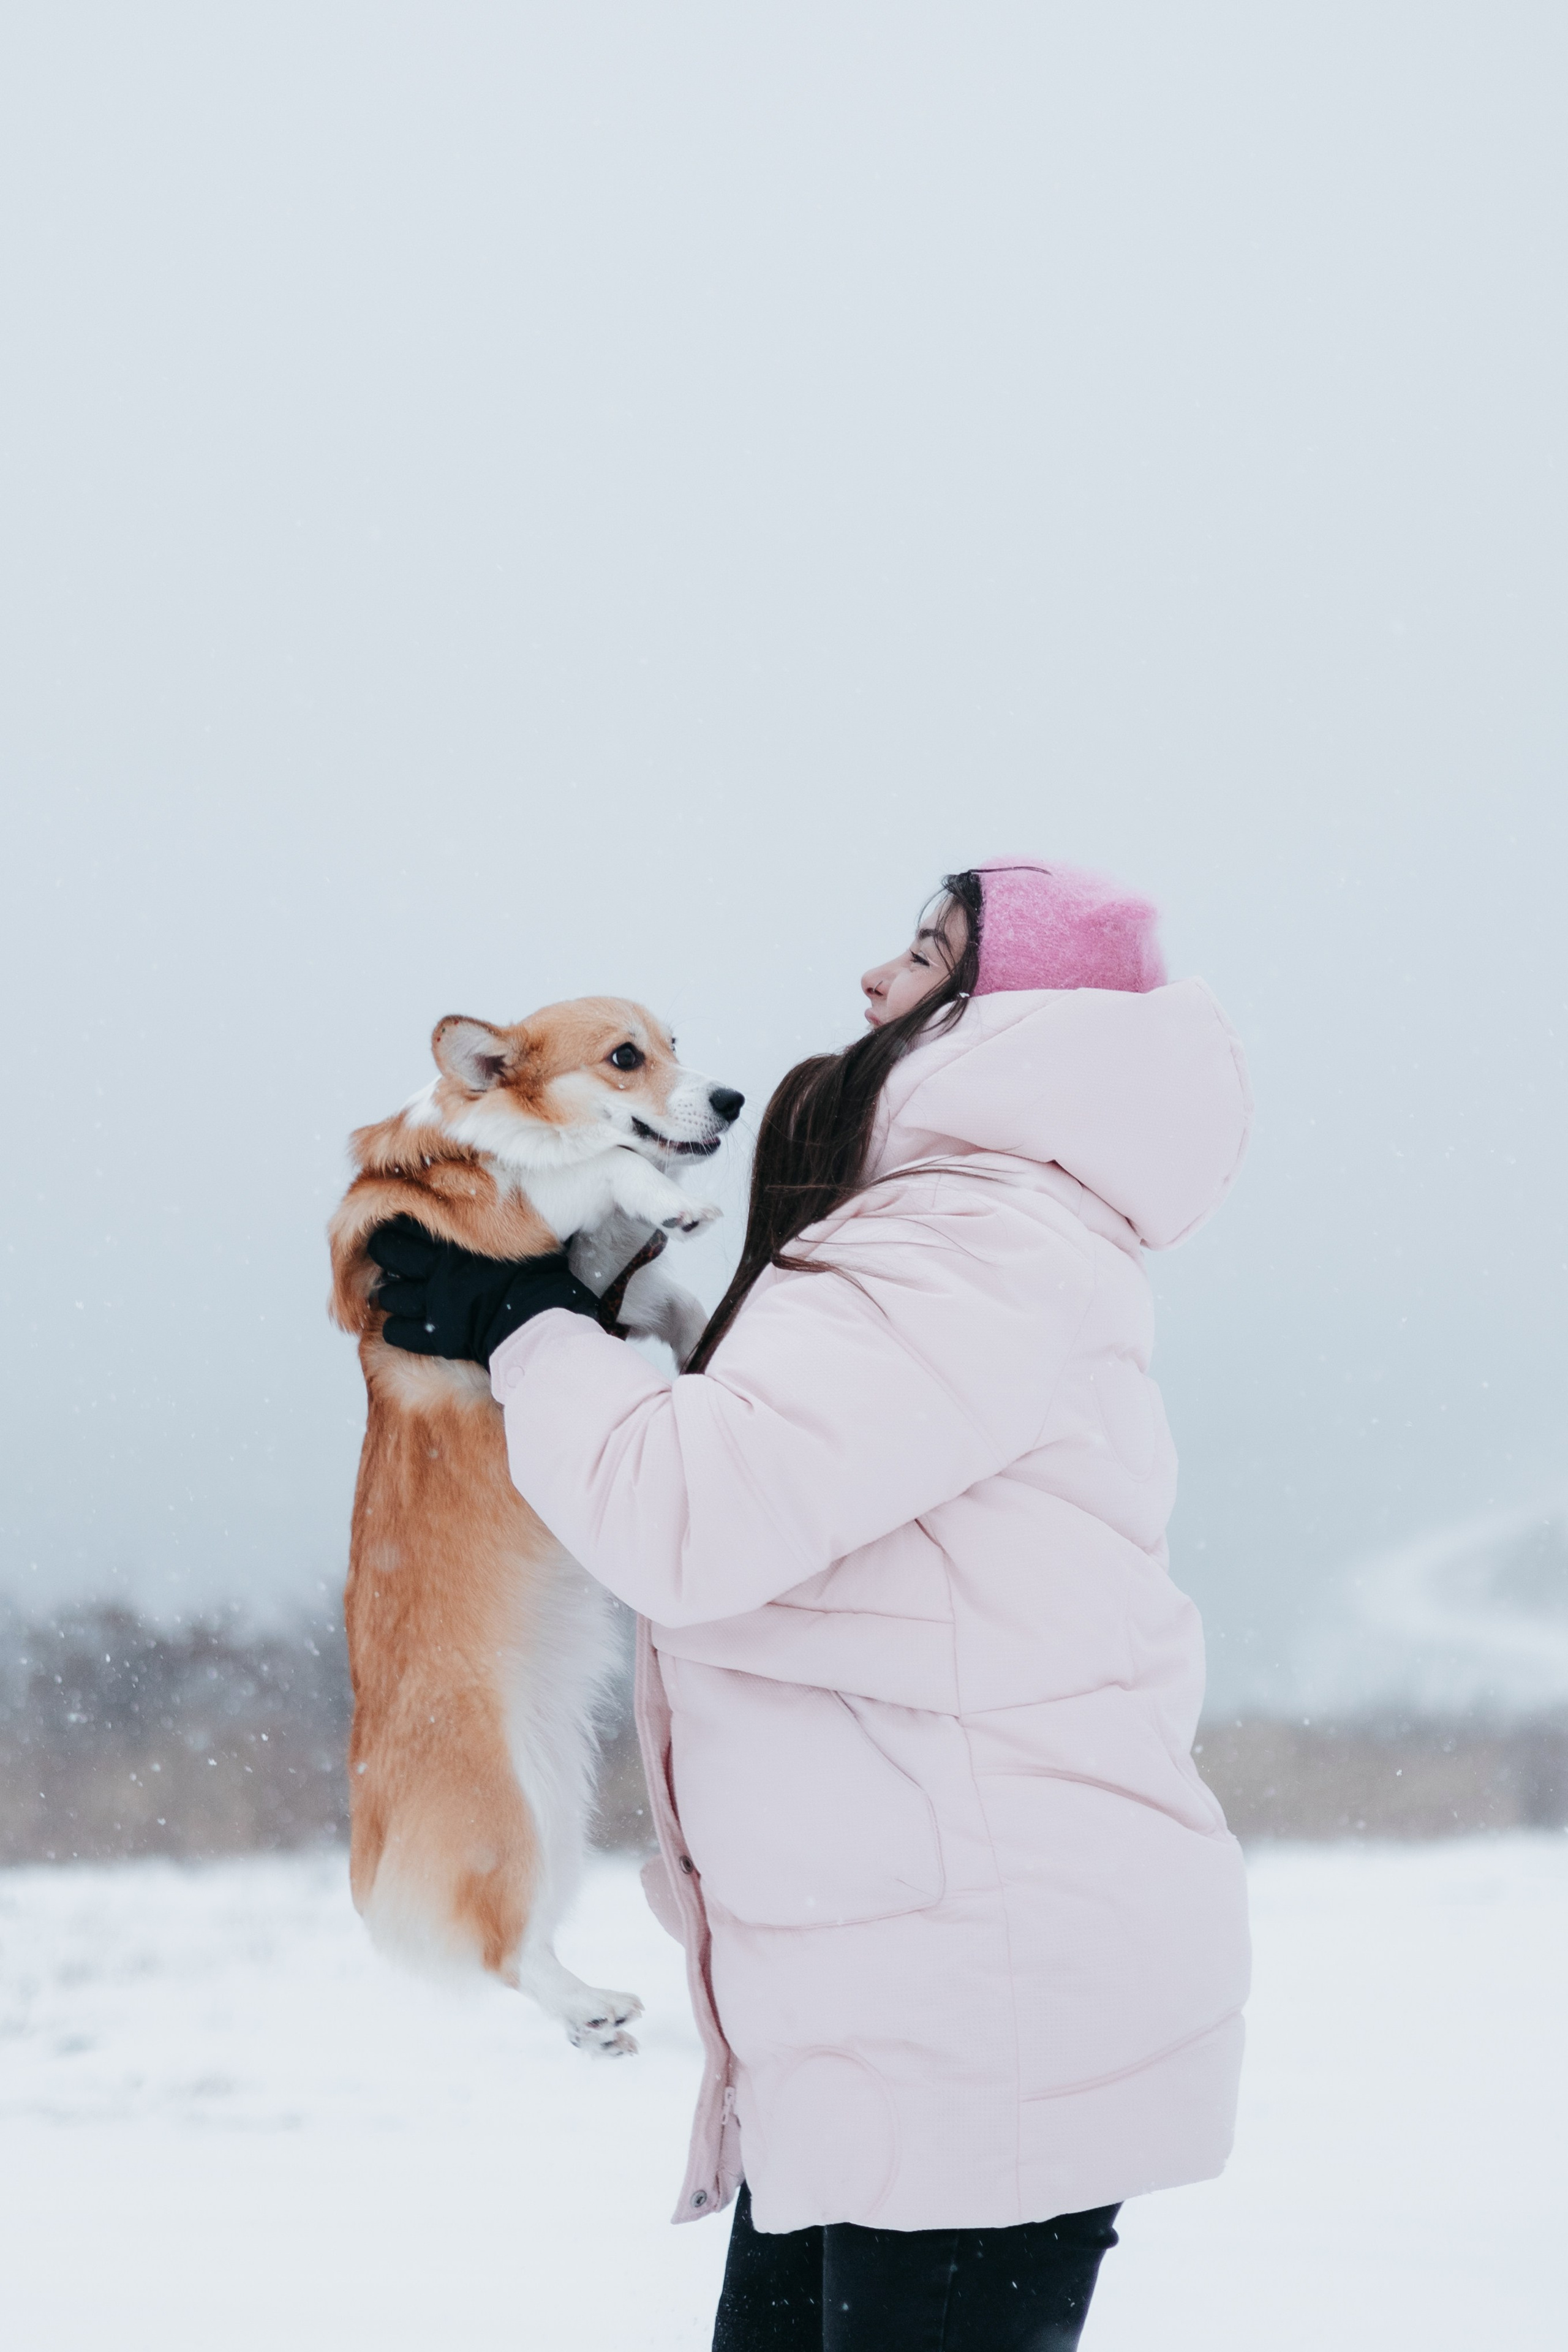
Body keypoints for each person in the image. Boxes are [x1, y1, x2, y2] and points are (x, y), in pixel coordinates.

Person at [369, 859, 1253, 2351]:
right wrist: (584, 1297)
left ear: (1011, 1019)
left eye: (925, 956)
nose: (872, 980)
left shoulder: (971, 1240)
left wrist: (522, 1330)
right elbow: (776, 1478)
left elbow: (687, 1517)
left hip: (971, 2024)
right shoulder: (942, 1233)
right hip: (890, 2022)